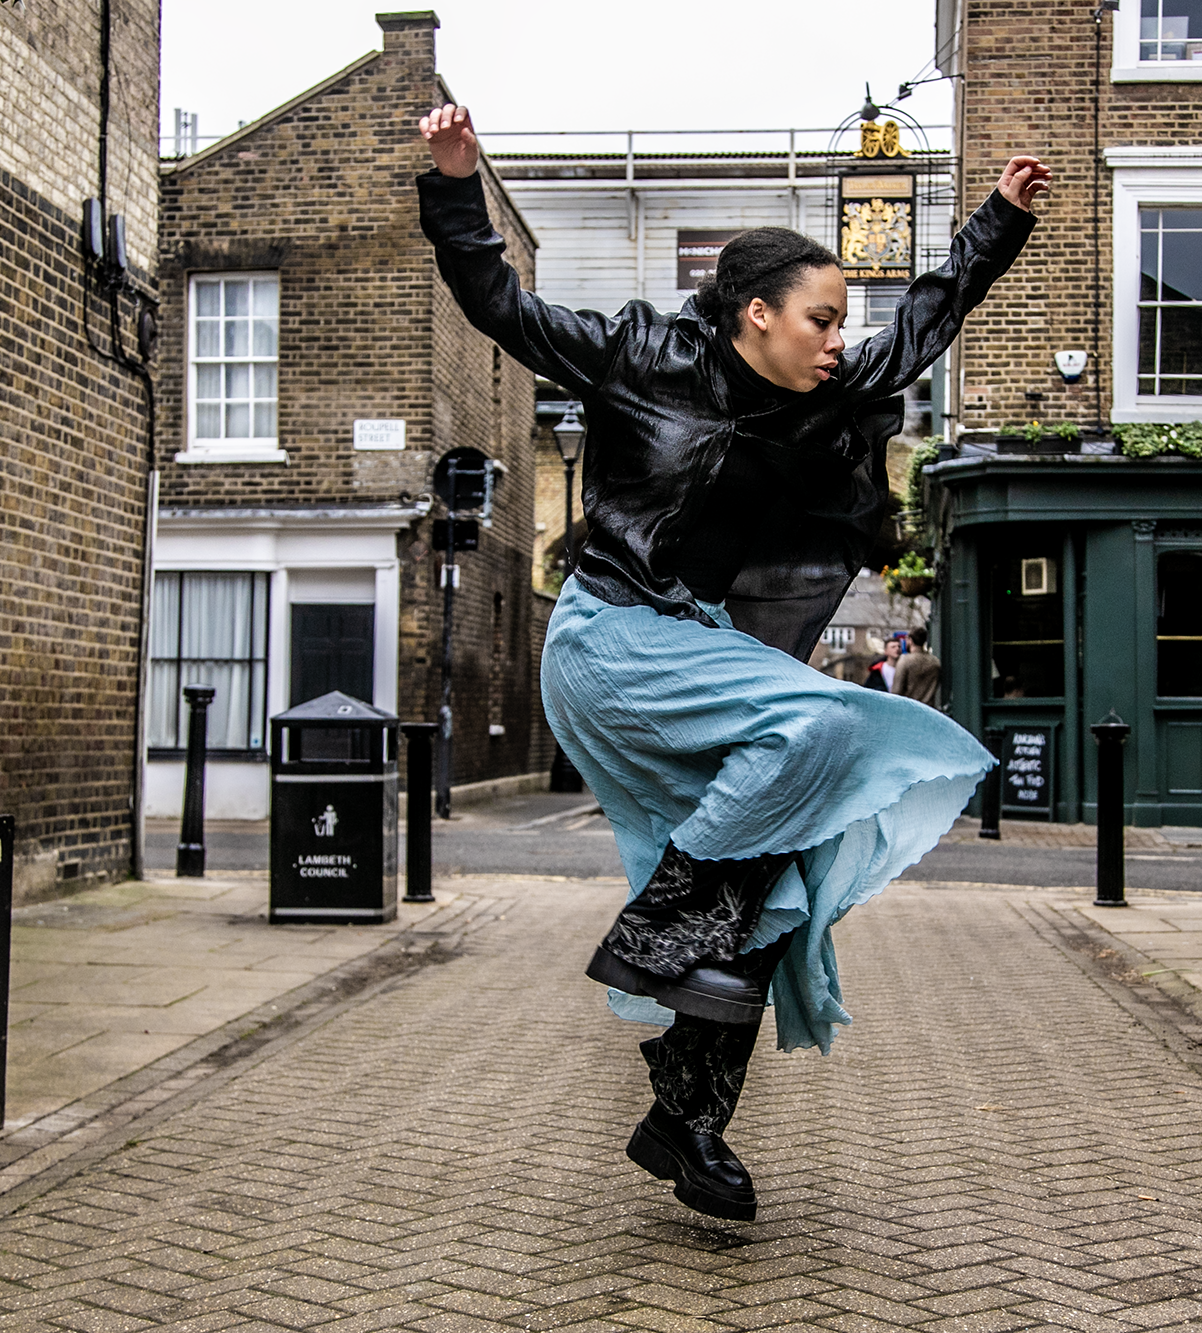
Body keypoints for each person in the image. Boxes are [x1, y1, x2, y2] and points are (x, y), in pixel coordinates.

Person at [417, 103, 1050, 1222]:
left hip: (695, 643)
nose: (837, 340)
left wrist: (994, 221)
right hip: (610, 637)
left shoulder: (829, 392)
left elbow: (923, 328)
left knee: (779, 888)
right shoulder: (637, 354)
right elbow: (495, 305)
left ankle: (686, 1122)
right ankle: (660, 933)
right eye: (819, 318)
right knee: (823, 727)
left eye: (841, 322)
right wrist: (460, 183)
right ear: (755, 314)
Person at [891, 626, 942, 704]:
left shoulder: (905, 660)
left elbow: (896, 690)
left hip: (909, 709)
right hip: (929, 710)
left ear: (910, 640)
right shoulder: (935, 661)